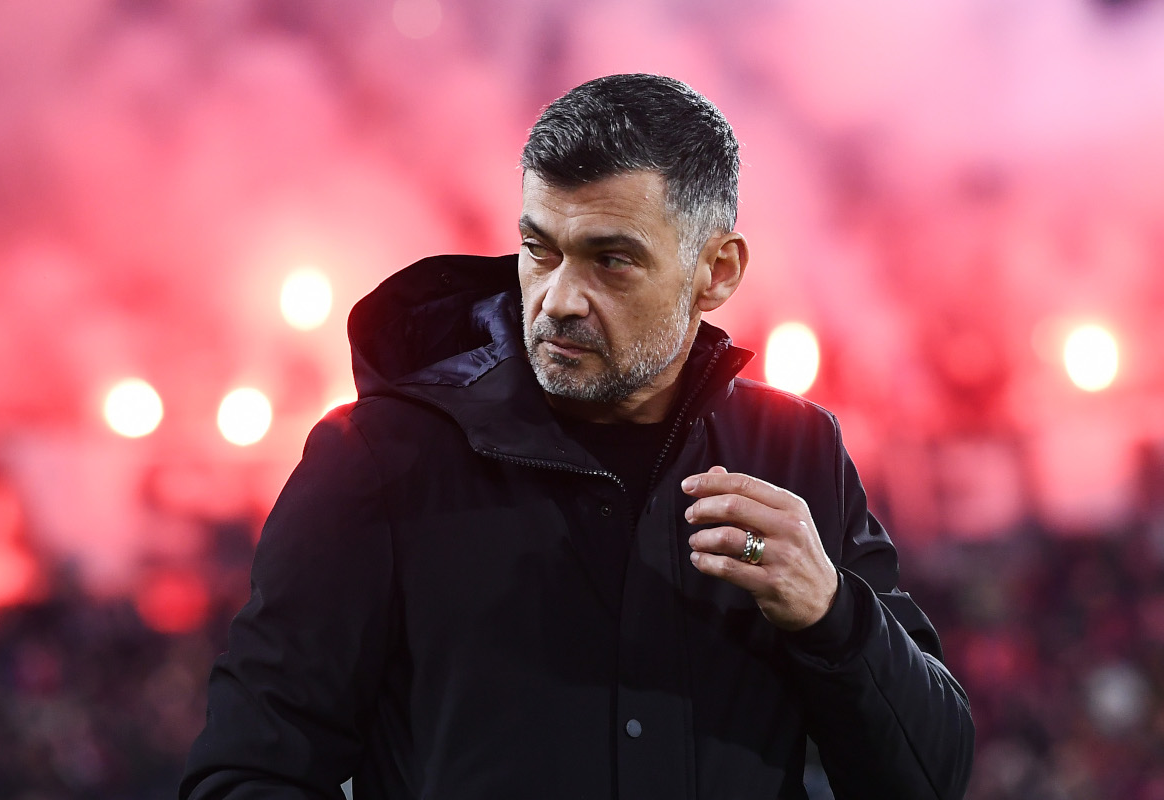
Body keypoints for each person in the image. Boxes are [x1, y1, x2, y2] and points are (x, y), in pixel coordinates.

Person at [180, 73, 973, 800]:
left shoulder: (797, 452)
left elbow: (930, 779)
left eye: (611, 260)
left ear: (717, 271)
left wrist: (833, 614)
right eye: (540, 249)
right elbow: (247, 775)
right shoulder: (380, 457)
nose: (559, 299)